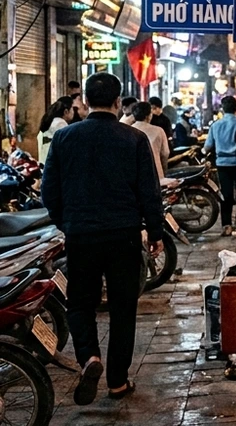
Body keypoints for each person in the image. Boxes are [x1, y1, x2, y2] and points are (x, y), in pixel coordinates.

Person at [41, 73, 164, 405]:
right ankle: (118, 382)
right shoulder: (133, 139)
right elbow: (149, 192)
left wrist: (67, 222)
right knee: (124, 308)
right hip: (123, 234)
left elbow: (48, 191)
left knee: (80, 303)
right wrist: (155, 232)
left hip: (82, 234)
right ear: (116, 101)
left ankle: (89, 357)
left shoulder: (65, 138)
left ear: (85, 102)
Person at [204, 96, 236, 236]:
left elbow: (208, 146)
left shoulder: (215, 125)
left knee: (225, 194)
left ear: (222, 108)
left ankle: (226, 225)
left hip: (222, 163)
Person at [132, 102, 170, 180]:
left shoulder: (128, 130)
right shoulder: (158, 131)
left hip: (134, 176)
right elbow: (165, 153)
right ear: (149, 115)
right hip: (155, 174)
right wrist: (164, 171)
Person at [37, 97, 74, 162]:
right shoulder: (60, 123)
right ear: (66, 111)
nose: (74, 112)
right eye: (72, 109)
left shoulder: (52, 120)